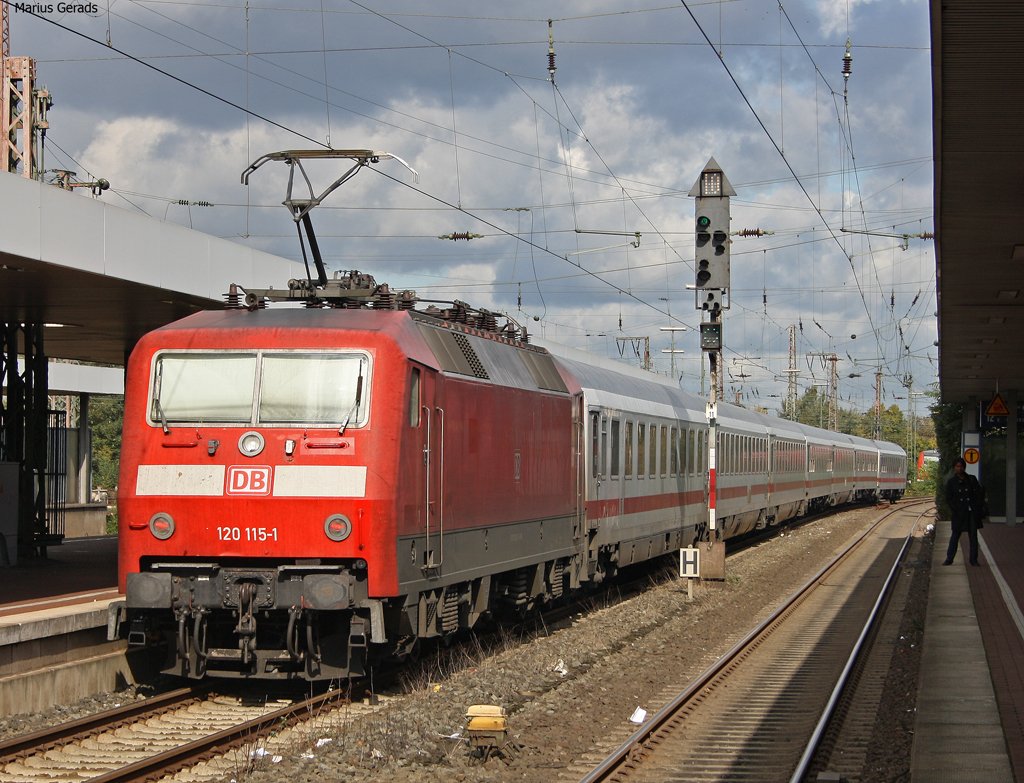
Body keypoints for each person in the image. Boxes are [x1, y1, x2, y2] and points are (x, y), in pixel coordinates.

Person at [944, 457, 983, 566]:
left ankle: (973, 560)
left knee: (973, 536)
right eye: (957, 466)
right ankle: (949, 558)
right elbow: (949, 498)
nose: (959, 469)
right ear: (954, 468)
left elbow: (978, 494)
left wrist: (977, 507)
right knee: (955, 535)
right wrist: (955, 509)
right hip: (959, 513)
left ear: (964, 467)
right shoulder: (952, 482)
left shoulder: (971, 479)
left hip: (971, 512)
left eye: (961, 466)